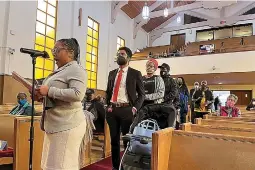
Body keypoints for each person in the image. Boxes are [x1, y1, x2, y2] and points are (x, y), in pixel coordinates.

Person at [33, 38, 89, 170]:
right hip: (55, 123)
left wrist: (49, 91)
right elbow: (55, 95)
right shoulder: (61, 70)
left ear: (70, 52)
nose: (54, 53)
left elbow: (77, 94)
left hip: (68, 124)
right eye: (53, 50)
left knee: (62, 166)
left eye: (57, 50)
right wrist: (42, 96)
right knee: (51, 165)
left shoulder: (77, 70)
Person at [106, 46, 145, 170]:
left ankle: (127, 166)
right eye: (118, 53)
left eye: (122, 54)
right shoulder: (112, 73)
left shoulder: (135, 73)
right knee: (114, 141)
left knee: (127, 141)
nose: (119, 56)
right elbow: (108, 91)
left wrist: (134, 108)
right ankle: (115, 166)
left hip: (127, 110)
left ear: (128, 57)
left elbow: (142, 94)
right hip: (112, 110)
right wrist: (108, 105)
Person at [158, 63, 179, 128]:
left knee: (168, 126)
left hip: (167, 105)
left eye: (163, 69)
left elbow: (174, 93)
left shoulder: (171, 80)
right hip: (158, 106)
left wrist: (164, 99)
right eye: (161, 69)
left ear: (167, 70)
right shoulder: (158, 79)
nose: (161, 70)